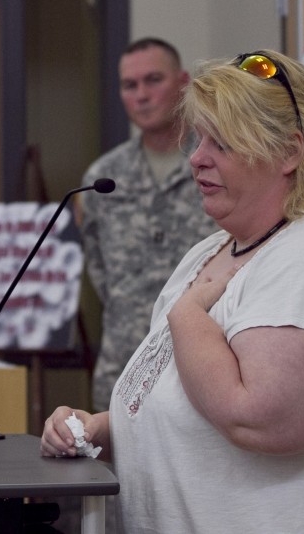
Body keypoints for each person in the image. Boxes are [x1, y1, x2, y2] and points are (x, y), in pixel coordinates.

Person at [43, 50, 304, 533]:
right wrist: (103, 427)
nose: (197, 158)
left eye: (221, 144)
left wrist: (188, 316)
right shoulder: (208, 253)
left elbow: (258, 419)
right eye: (200, 140)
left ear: (289, 152)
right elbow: (184, 400)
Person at [78, 37, 218, 412]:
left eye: (153, 80)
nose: (141, 95)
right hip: (124, 369)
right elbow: (101, 273)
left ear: (183, 83)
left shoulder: (217, 164)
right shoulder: (103, 177)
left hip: (205, 367)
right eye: (130, 85)